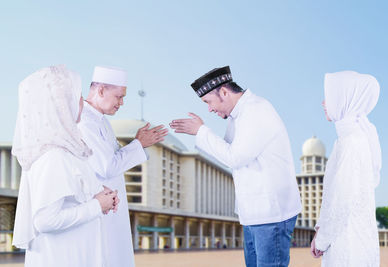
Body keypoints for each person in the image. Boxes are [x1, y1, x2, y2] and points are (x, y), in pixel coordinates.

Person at [170, 66, 302, 267]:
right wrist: (201, 132)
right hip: (253, 214)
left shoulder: (256, 110)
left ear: (223, 92)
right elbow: (226, 152)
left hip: (271, 214)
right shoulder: (237, 116)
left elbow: (235, 157)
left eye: (208, 102)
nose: (210, 109)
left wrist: (201, 131)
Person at [12, 65, 119, 266]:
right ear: (60, 103)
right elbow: (45, 220)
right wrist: (97, 205)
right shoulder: (53, 156)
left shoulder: (65, 150)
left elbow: (70, 196)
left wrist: (98, 194)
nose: (81, 102)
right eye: (77, 96)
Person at [78, 66, 168, 267]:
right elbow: (107, 167)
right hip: (98, 206)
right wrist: (139, 145)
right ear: (100, 90)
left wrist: (137, 142)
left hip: (110, 205)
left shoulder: (101, 121)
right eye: (118, 97)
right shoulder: (85, 121)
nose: (122, 103)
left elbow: (113, 159)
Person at [310, 71, 381, 266]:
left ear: (345, 100)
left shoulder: (352, 142)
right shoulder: (350, 139)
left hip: (349, 246)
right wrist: (320, 230)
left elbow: (341, 200)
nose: (324, 103)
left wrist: (321, 240)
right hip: (351, 241)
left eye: (329, 97)